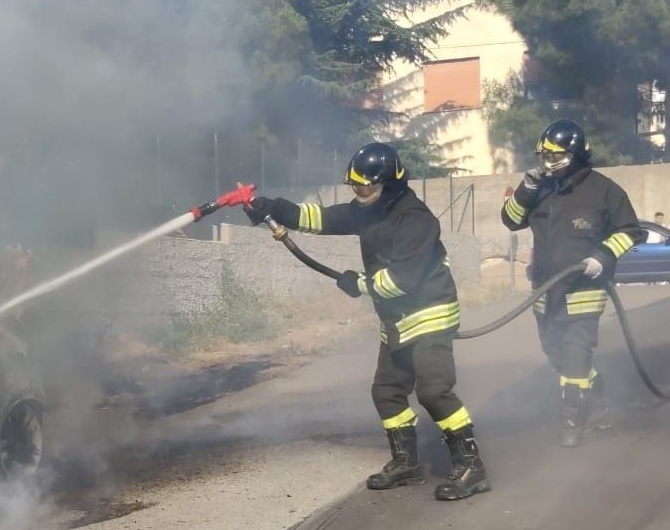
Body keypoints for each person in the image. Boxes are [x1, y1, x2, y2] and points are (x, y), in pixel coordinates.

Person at [221, 143, 490, 500]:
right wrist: (273, 208)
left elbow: (402, 281)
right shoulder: (369, 209)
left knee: (433, 391)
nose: (359, 194)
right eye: (355, 188)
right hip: (395, 320)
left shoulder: (416, 220)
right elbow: (321, 218)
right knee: (387, 392)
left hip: (429, 314)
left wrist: (358, 284)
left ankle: (470, 464)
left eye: (366, 187)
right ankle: (407, 462)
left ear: (389, 183)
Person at [501, 119, 646, 448]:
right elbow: (510, 220)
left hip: (584, 291)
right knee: (555, 352)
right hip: (545, 291)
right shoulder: (542, 190)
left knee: (575, 353)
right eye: (544, 157)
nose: (549, 163)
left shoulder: (604, 191)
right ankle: (597, 397)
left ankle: (571, 419)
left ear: (576, 153)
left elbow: (632, 231)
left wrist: (603, 256)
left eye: (556, 156)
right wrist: (526, 189)